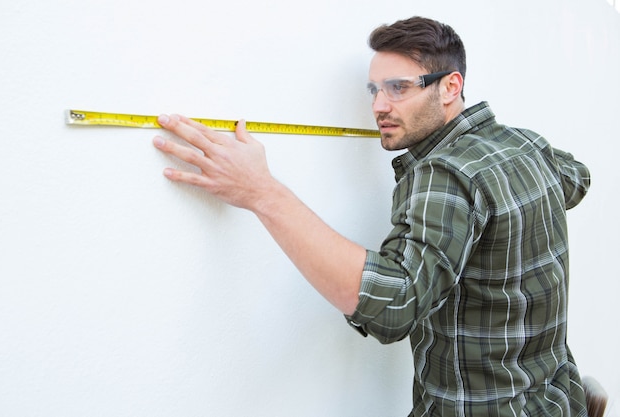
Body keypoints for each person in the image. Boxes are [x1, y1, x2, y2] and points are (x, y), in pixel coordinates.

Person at [151, 16, 591, 417]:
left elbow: (394, 305)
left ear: (450, 86)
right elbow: (578, 178)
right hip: (556, 400)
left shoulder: (443, 173)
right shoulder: (526, 146)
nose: (379, 105)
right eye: (374, 90)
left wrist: (262, 192)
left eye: (398, 87)